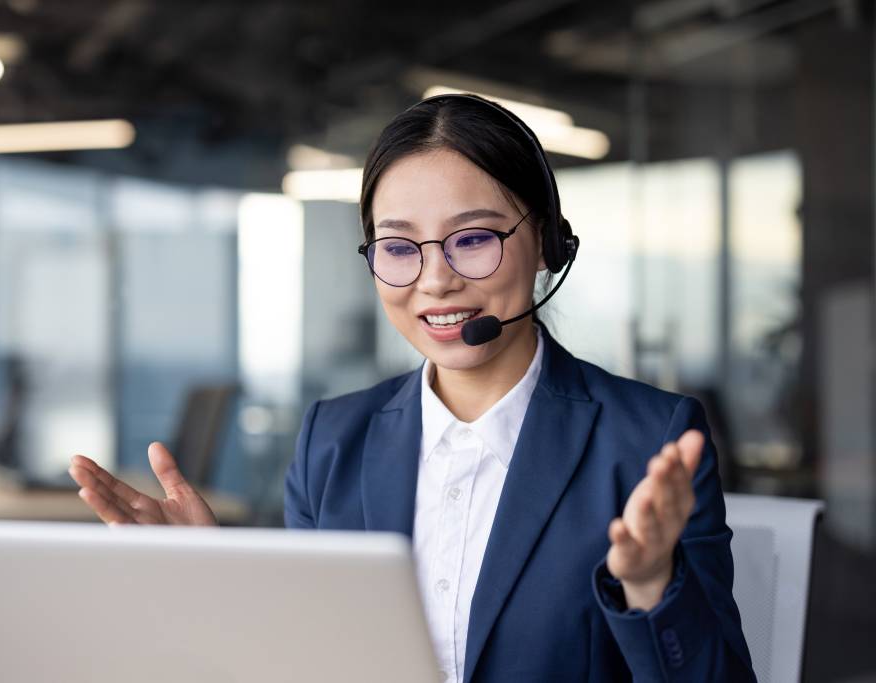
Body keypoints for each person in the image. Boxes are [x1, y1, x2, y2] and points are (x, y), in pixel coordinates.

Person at [69, 93, 755, 682]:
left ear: (547, 242)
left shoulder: (648, 438)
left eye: (473, 239)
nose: (434, 281)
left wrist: (649, 585)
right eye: (399, 247)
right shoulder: (331, 442)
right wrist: (225, 584)